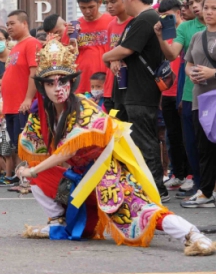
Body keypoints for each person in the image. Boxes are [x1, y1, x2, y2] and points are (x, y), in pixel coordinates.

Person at [15, 37, 214, 256]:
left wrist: (32, 169)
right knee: (38, 177)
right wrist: (27, 169)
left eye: (62, 81)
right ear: (42, 86)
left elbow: (69, 151)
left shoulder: (83, 106)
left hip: (108, 175)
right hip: (79, 179)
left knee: (144, 212)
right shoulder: (42, 114)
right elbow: (34, 150)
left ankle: (194, 234)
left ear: (71, 82)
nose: (57, 88)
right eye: (50, 83)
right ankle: (57, 221)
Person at [102, 0, 169, 201]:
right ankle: (140, 187)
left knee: (145, 142)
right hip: (129, 91)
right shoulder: (137, 21)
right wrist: (114, 59)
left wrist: (106, 56)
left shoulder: (147, 18)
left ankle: (156, 190)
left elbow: (126, 48)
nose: (120, 3)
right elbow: (123, 53)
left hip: (141, 93)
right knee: (132, 142)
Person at [155, 0, 211, 200]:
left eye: (201, 2)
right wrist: (160, 37)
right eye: (193, 3)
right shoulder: (186, 29)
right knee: (194, 144)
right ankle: (200, 187)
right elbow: (173, 56)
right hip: (191, 95)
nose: (198, 7)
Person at [180, 0, 216, 209]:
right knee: (203, 148)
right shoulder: (197, 36)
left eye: (214, 8)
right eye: (206, 8)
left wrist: (213, 73)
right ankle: (205, 191)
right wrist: (191, 73)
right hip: (200, 100)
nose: (209, 12)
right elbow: (188, 63)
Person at [1, 10, 41, 181]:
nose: (8, 27)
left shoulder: (32, 43)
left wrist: (27, 99)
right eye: (7, 24)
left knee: (27, 144)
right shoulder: (15, 46)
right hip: (10, 106)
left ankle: (32, 179)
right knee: (18, 145)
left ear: (24, 24)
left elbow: (35, 72)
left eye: (12, 23)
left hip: (22, 105)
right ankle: (24, 177)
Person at [156, 0, 189, 190]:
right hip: (167, 91)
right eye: (162, 16)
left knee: (187, 135)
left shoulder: (186, 31)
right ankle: (178, 174)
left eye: (168, 15)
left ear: (178, 12)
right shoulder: (164, 35)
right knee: (173, 136)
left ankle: (191, 174)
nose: (165, 19)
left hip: (183, 91)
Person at [68, 0, 113, 95]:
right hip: (82, 84)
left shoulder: (111, 21)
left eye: (91, 7)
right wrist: (71, 42)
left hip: (107, 82)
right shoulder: (74, 27)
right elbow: (68, 57)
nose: (87, 11)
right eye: (83, 8)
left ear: (99, 2)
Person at [103, 0, 130, 116]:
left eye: (113, 1)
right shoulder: (111, 25)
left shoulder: (135, 22)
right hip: (112, 87)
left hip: (131, 89)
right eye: (106, 2)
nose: (109, 6)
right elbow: (110, 54)